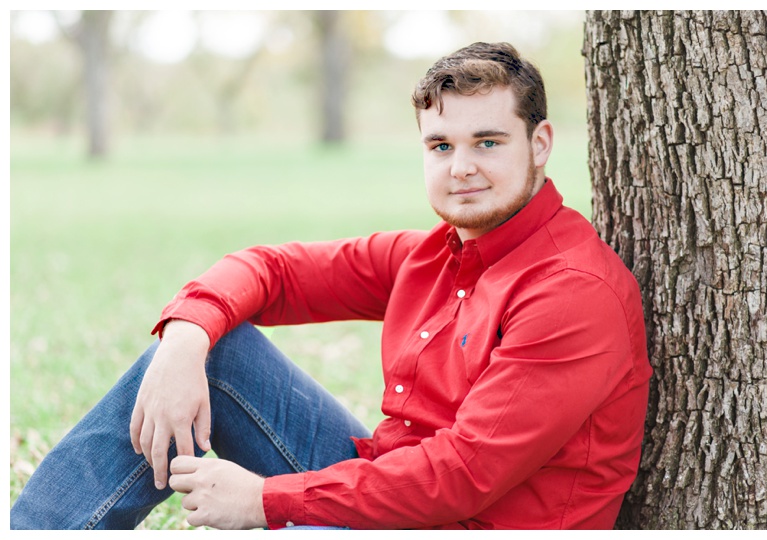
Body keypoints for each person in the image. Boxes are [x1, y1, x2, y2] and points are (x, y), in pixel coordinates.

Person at [11, 42, 652, 530]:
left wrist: (265, 501)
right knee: (211, 349)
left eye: (488, 142)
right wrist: (184, 340)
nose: (462, 168)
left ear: (540, 143)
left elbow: (464, 474)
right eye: (440, 146)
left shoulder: (571, 291)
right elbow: (273, 270)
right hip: (388, 490)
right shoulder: (432, 256)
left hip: (464, 521)